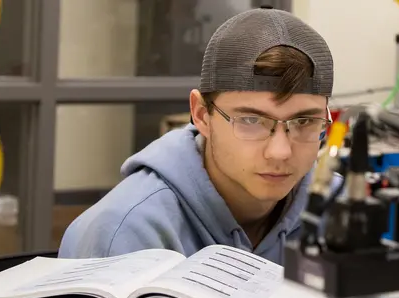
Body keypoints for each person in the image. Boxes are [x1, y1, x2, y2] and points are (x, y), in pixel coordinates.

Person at [58, 7, 337, 265]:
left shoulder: (342, 212)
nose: (280, 152)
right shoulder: (125, 234)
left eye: (304, 121)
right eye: (251, 120)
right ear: (202, 115)